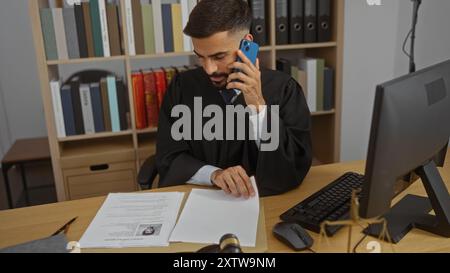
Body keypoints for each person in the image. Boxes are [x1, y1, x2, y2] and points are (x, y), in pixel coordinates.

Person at [155, 0, 312, 198]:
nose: (209, 69)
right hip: (201, 200)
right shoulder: (182, 87)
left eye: (219, 56)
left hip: (262, 203)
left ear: (247, 44)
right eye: (200, 57)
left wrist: (258, 107)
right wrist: (214, 174)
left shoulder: (284, 90)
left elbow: (294, 165)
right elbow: (169, 157)